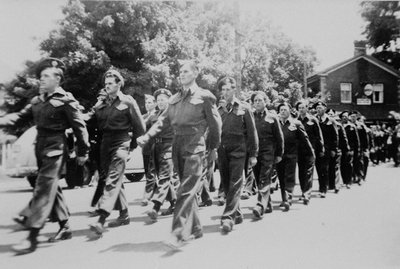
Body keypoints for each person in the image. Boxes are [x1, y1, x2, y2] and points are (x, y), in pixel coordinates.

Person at [0, 58, 90, 254]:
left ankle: (31, 236)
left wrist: (83, 152)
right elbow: (18, 117)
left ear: (58, 79)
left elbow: (80, 128)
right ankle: (65, 226)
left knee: (42, 188)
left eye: (46, 76)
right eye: (41, 76)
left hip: (56, 148)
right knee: (51, 187)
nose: (41, 79)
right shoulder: (36, 101)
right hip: (40, 148)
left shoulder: (66, 100)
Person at [136, 60, 222, 247]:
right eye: (180, 71)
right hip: (177, 146)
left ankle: (178, 233)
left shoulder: (204, 96)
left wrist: (213, 148)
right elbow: (162, 121)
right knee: (187, 190)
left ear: (195, 73)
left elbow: (215, 125)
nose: (181, 74)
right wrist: (147, 136)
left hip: (195, 146)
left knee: (185, 189)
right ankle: (197, 229)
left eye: (185, 71)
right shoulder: (174, 99)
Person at [89, 69, 146, 235]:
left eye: (110, 83)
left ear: (119, 83)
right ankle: (124, 214)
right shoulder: (101, 103)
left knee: (112, 178)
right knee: (112, 178)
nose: (107, 86)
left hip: (121, 142)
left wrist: (132, 146)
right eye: (105, 83)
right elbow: (90, 120)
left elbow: (140, 127)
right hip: (105, 143)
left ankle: (101, 218)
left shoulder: (128, 102)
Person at [217, 76, 258, 233]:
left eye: (228, 89)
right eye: (223, 89)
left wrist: (253, 154)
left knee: (235, 183)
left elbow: (252, 132)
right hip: (222, 150)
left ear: (234, 89)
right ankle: (237, 214)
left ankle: (228, 218)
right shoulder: (218, 109)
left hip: (238, 150)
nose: (225, 92)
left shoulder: (244, 107)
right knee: (226, 183)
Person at [251, 91, 283, 219]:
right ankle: (268, 205)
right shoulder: (250, 117)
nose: (257, 103)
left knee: (264, 177)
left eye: (260, 100)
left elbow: (279, 137)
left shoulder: (272, 117)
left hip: (268, 152)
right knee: (259, 177)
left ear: (265, 102)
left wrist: (279, 153)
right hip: (255, 152)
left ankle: (260, 205)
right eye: (255, 101)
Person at [147, 89, 178, 220]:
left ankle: (156, 206)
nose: (160, 102)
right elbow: (146, 127)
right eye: (158, 100)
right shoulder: (153, 114)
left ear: (169, 100)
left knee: (165, 176)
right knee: (162, 177)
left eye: (163, 99)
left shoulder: (173, 113)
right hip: (156, 146)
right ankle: (174, 203)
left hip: (169, 145)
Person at [277, 102, 314, 210]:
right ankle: (284, 199)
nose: (282, 111)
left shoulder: (296, 123)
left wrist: (311, 153)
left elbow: (305, 139)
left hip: (291, 155)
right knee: (281, 178)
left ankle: (288, 199)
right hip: (279, 156)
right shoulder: (277, 123)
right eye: (281, 110)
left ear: (290, 111)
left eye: (285, 109)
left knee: (289, 177)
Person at [295, 100, 324, 204]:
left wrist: (321, 149)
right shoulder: (296, 121)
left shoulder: (313, 119)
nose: (301, 110)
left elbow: (319, 136)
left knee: (308, 172)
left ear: (307, 108)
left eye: (303, 107)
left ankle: (307, 194)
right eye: (299, 108)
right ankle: (303, 191)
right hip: (299, 150)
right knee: (301, 172)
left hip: (311, 150)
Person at [314, 101, 338, 198]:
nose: (318, 110)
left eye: (320, 108)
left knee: (324, 169)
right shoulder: (314, 120)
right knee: (319, 169)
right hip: (316, 149)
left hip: (327, 149)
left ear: (325, 109)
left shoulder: (331, 121)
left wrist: (333, 149)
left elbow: (335, 136)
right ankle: (323, 186)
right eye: (317, 108)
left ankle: (323, 189)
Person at [326, 108, 349, 193]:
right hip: (327, 149)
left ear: (334, 115)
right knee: (328, 167)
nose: (330, 115)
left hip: (337, 149)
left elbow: (343, 138)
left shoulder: (338, 125)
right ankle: (330, 184)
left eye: (331, 114)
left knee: (336, 167)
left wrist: (346, 149)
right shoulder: (324, 125)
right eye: (328, 114)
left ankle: (336, 185)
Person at [141, 94, 158, 206]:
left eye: (150, 102)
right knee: (148, 172)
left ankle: (147, 195)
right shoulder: (142, 117)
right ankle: (157, 192)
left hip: (155, 146)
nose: (147, 105)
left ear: (155, 104)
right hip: (145, 148)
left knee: (154, 172)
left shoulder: (158, 115)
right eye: (146, 103)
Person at [339, 111, 359, 188]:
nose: (345, 117)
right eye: (343, 116)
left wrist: (357, 150)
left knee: (349, 165)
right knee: (342, 165)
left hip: (350, 149)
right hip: (341, 148)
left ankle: (349, 181)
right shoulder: (339, 126)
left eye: (346, 116)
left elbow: (356, 140)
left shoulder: (352, 126)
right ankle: (344, 181)